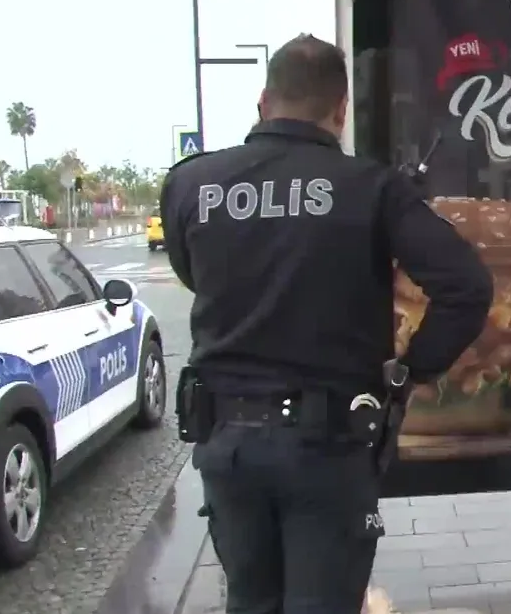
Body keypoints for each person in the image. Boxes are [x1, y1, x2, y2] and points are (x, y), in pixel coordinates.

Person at [160, 34, 493, 614]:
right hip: (329, 446)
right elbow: (467, 286)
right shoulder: (373, 188)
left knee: (250, 601)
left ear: (263, 102)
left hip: (227, 441)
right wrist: (412, 370)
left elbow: (195, 275)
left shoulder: (190, 184)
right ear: (341, 112)